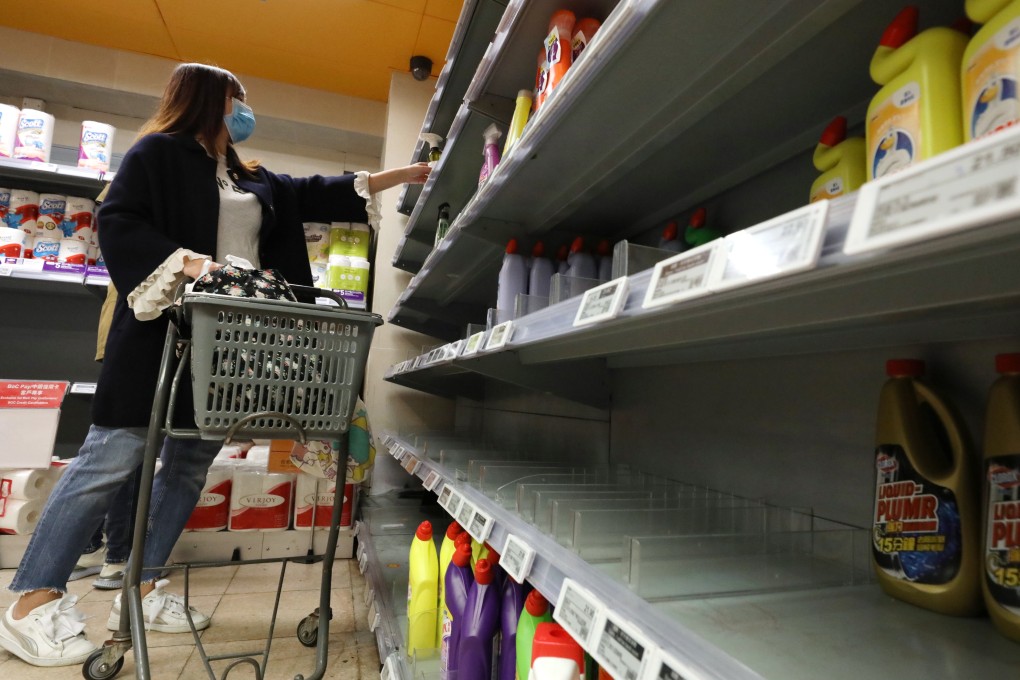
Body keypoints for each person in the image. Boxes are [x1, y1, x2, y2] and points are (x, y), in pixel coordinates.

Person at [0, 62, 430, 667]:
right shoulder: (158, 154)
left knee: (188, 465)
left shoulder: (248, 177)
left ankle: (142, 589)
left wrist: (405, 174)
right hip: (158, 335)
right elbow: (118, 220)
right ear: (209, 100)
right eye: (237, 99)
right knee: (113, 457)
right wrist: (187, 262)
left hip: (229, 345)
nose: (245, 110)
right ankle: (29, 601)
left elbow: (316, 191)